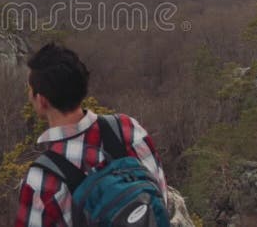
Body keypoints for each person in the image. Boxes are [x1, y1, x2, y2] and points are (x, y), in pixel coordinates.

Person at [14, 43, 168, 227]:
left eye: (30, 89)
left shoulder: (41, 180)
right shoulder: (128, 129)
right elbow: (160, 197)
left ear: (42, 101)